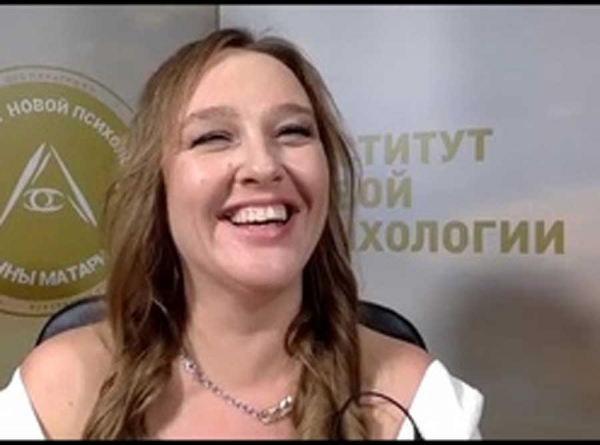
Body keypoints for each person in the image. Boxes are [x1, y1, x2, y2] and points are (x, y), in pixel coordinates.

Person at [0, 28, 483, 439]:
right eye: (212, 137)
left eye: (293, 131)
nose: (263, 165)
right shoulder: (56, 392)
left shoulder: (417, 401)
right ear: (157, 187)